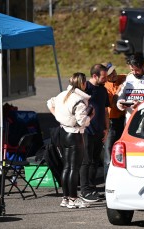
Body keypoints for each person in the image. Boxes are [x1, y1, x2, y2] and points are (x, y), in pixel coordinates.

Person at [47, 72, 93, 209]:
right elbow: (82, 121)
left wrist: (59, 117)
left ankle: (66, 198)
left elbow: (49, 103)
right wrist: (91, 116)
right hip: (74, 134)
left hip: (62, 132)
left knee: (66, 167)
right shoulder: (79, 99)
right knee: (74, 168)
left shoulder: (62, 94)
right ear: (83, 84)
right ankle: (73, 198)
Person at [80, 64, 110, 202]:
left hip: (99, 130)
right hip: (86, 131)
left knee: (94, 161)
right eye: (104, 77)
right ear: (94, 76)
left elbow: (104, 110)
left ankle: (92, 189)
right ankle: (84, 190)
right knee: (86, 161)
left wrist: (106, 129)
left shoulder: (103, 90)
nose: (106, 79)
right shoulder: (85, 89)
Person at [102, 62, 126, 180]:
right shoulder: (105, 87)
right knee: (109, 151)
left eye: (114, 71)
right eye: (111, 74)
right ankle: (108, 179)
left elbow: (133, 74)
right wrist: (118, 92)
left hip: (123, 119)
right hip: (111, 121)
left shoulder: (122, 77)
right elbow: (112, 105)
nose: (114, 75)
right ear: (105, 76)